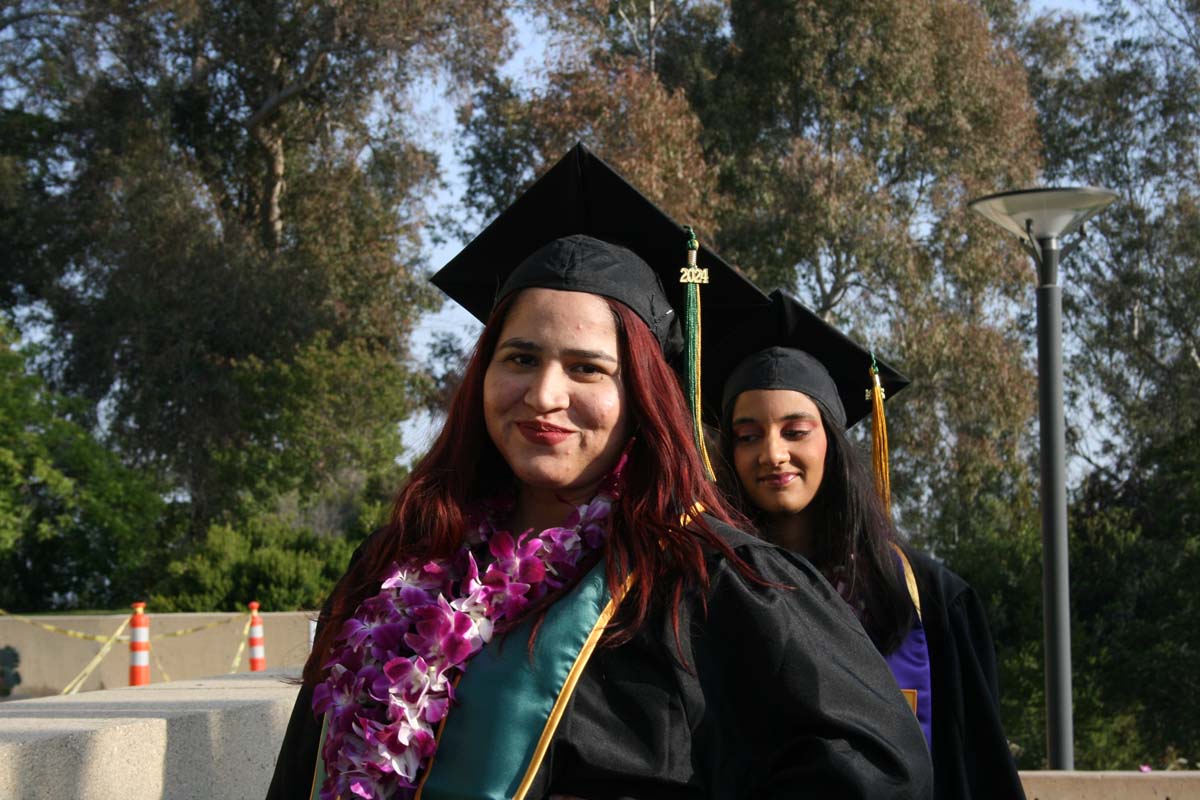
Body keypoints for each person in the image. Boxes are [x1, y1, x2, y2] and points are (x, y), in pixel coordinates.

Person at [267, 145, 933, 799]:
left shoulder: (708, 584)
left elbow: (877, 771)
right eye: (520, 359)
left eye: (587, 368)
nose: (544, 395)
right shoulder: (397, 564)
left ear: (642, 396)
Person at [713, 289, 1026, 800]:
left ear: (832, 443)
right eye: (747, 436)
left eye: (796, 431)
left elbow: (976, 769)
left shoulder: (928, 596)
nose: (772, 453)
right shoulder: (710, 588)